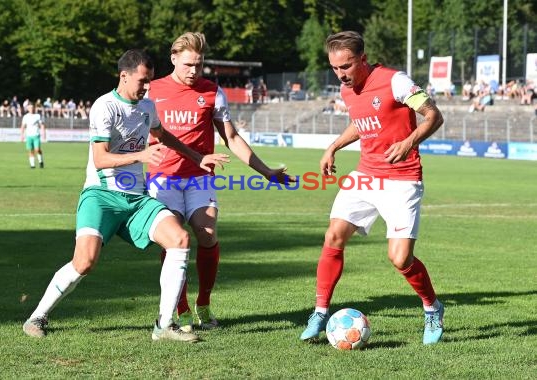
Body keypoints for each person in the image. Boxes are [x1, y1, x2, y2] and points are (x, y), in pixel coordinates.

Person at [22, 49, 229, 342]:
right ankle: (37, 316)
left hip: (135, 199)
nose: (147, 87)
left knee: (179, 239)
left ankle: (164, 325)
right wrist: (142, 154)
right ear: (124, 75)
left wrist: (197, 157)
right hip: (101, 196)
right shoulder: (104, 107)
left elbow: (165, 135)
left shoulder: (147, 106)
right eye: (143, 81)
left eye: (150, 81)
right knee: (84, 262)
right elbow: (101, 159)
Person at [299, 31, 445, 345]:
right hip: (366, 174)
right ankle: (320, 311)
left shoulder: (396, 81)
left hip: (402, 179)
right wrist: (334, 146)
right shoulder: (347, 89)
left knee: (400, 258)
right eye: (335, 68)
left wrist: (408, 142)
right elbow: (362, 120)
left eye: (347, 66)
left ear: (363, 58)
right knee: (333, 235)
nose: (341, 74)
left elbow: (434, 115)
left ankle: (432, 308)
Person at [147, 32, 293, 333]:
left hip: (200, 178)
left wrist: (266, 172)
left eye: (199, 65)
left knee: (207, 233)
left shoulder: (213, 92)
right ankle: (182, 308)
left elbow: (232, 138)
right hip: (163, 178)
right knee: (173, 238)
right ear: (173, 59)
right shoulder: (152, 90)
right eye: (188, 64)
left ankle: (203, 302)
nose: (193, 71)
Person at [20, 103, 46, 169]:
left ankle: (41, 161)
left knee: (37, 150)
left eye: (32, 107)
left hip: (36, 135)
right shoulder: (25, 117)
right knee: (30, 151)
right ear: (28, 109)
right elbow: (23, 126)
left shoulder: (37, 116)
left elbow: (42, 125)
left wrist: (43, 134)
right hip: (29, 136)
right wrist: (22, 135)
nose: (31, 109)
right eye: (30, 108)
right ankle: (32, 165)